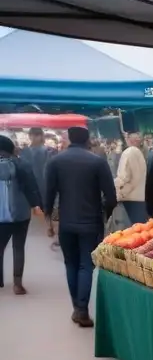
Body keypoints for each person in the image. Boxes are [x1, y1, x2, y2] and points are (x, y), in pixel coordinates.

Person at [45, 126, 117, 327]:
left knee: (71, 264)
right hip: (91, 222)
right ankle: (82, 309)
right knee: (86, 264)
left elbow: (49, 194)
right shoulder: (98, 162)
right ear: (88, 141)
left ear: (69, 139)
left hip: (66, 222)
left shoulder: (56, 161)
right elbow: (111, 196)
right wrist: (105, 213)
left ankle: (77, 307)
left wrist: (49, 221)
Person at [0, 135, 43, 294]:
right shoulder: (22, 164)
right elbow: (31, 186)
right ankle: (17, 284)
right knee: (18, 247)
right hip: (20, 213)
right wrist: (36, 205)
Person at [114, 132, 147, 225]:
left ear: (128, 139)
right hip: (140, 198)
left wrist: (116, 192)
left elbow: (123, 177)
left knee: (127, 233)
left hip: (129, 198)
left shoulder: (128, 152)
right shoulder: (139, 153)